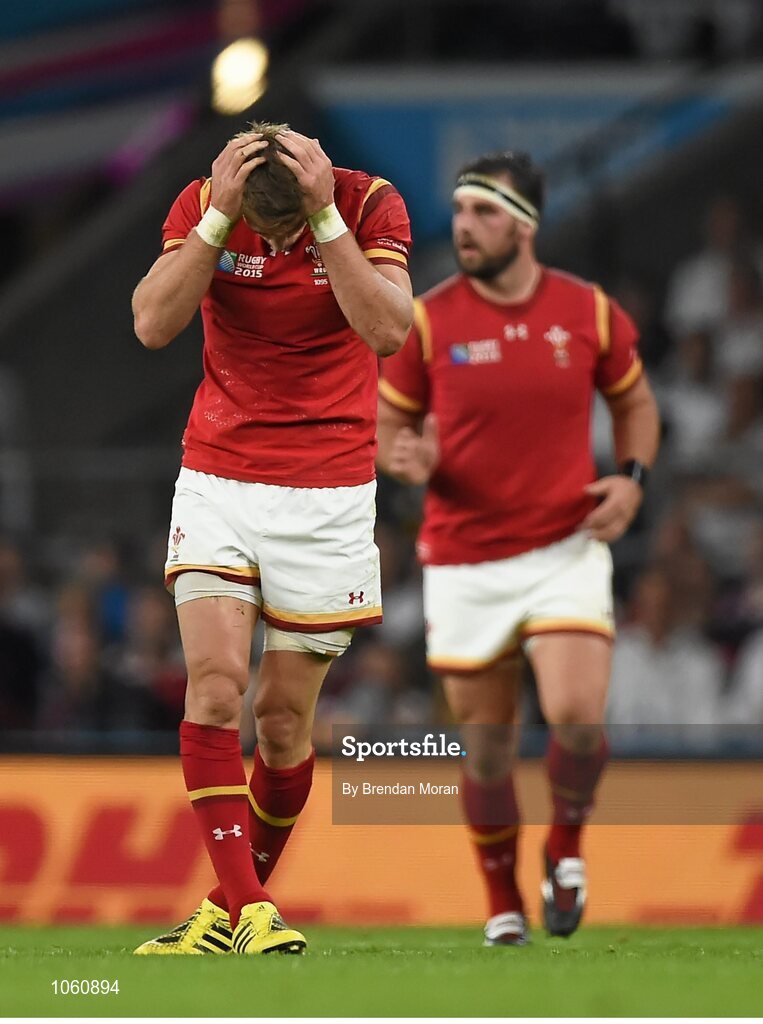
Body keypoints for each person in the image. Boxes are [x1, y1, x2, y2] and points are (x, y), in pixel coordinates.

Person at [131, 121, 413, 955]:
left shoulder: (367, 204)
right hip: (218, 475)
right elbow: (151, 324)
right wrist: (216, 222)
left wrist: (324, 221)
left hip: (327, 489)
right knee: (215, 689)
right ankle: (252, 909)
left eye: (291, 230)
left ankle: (219, 915)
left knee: (283, 721)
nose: (282, 245)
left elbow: (390, 331)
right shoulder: (205, 203)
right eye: (273, 231)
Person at [377, 151, 660, 946]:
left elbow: (635, 403)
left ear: (526, 224)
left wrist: (632, 479)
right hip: (463, 559)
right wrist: (402, 457)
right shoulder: (427, 320)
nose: (464, 226)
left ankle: (564, 849)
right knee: (488, 749)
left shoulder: (589, 312)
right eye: (461, 211)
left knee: (574, 717)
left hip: (561, 546)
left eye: (484, 212)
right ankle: (502, 902)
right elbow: (389, 427)